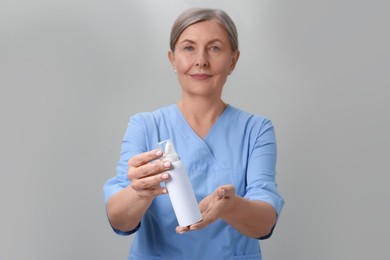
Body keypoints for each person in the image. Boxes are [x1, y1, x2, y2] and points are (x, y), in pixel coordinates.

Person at [103, 7, 284, 260]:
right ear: (172, 59)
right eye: (188, 48)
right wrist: (139, 192)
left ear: (233, 60)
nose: (201, 60)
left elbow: (265, 223)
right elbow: (119, 221)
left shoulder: (255, 130)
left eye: (215, 48)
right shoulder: (145, 126)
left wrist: (230, 207)